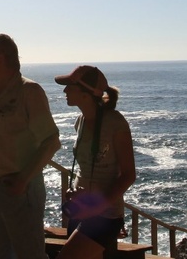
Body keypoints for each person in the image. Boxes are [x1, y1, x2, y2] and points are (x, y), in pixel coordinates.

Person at [0, 33, 61, 259]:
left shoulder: (29, 92)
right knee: (0, 254)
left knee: (29, 254)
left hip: (19, 188)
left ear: (1, 58)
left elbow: (51, 141)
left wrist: (23, 180)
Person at [53, 65, 136, 259]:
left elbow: (128, 175)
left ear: (86, 93)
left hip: (104, 215)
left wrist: (97, 205)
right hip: (81, 210)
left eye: (70, 86)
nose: (65, 91)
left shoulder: (115, 123)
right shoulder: (80, 121)